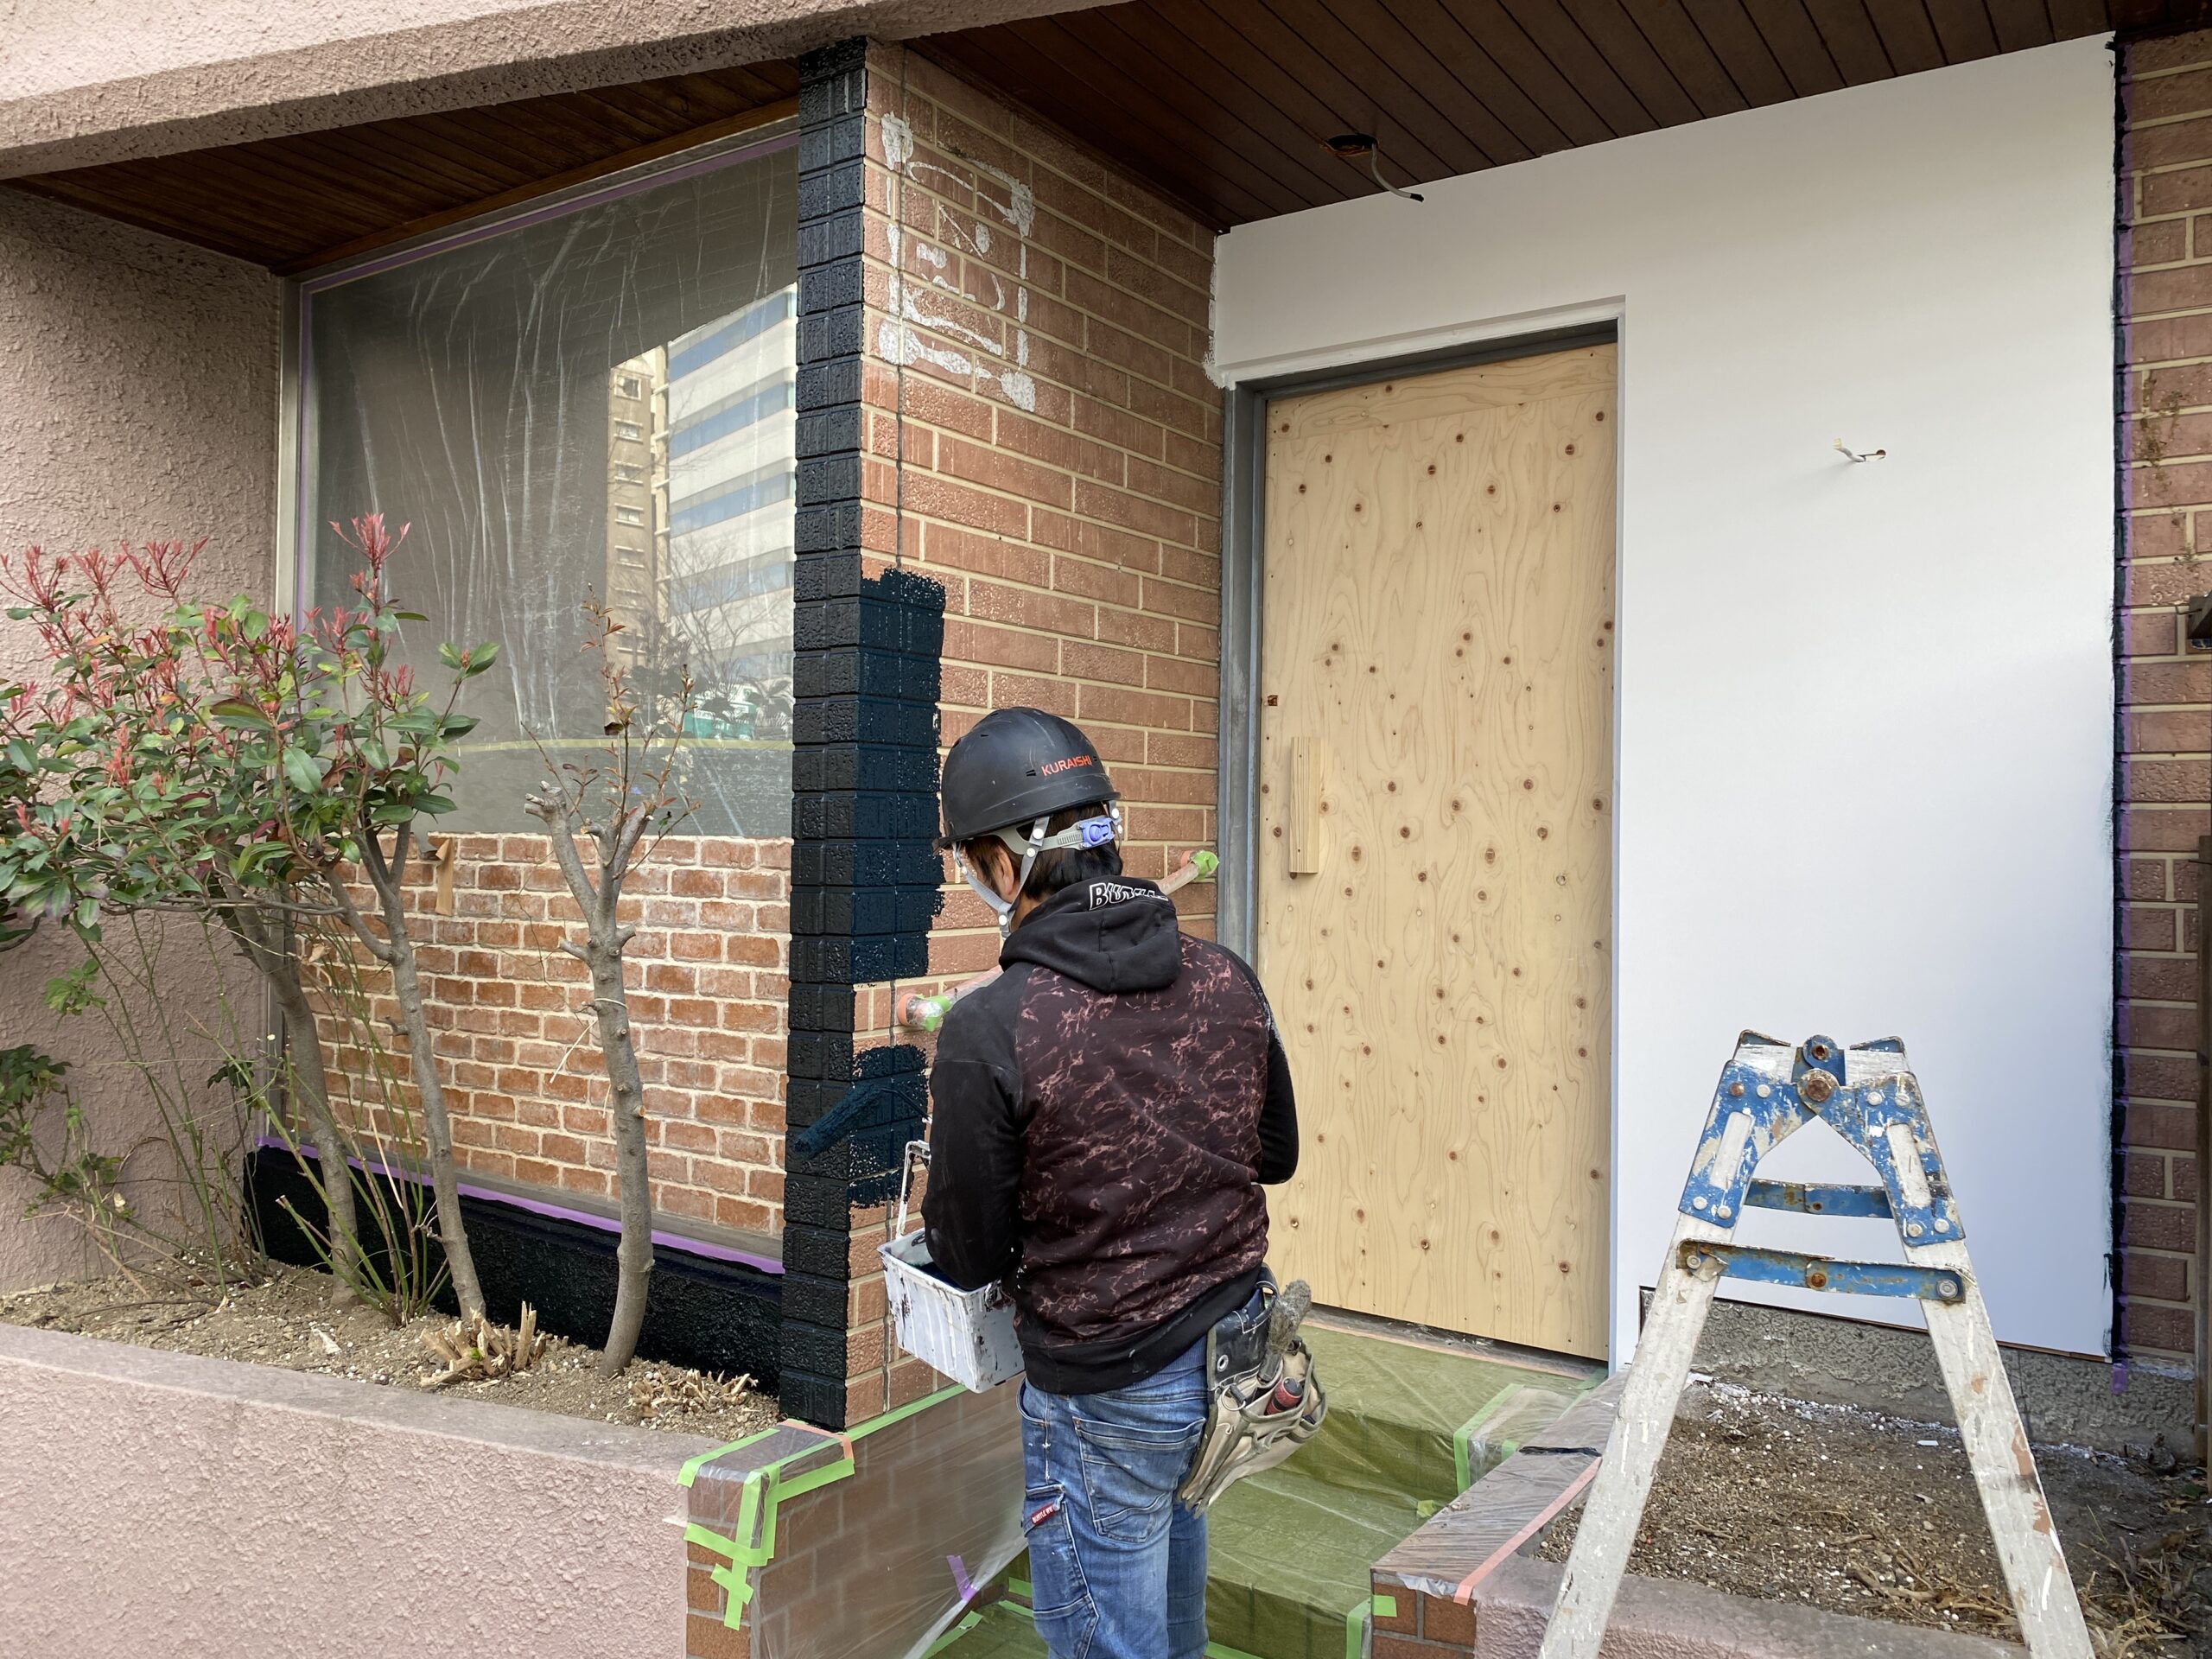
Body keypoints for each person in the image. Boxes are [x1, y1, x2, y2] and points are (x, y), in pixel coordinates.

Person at [921, 706, 1300, 1659]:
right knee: (1171, 1623)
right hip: (1228, 1352)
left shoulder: (993, 1026)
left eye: (970, 860)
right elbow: (1275, 1154)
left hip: (1106, 1389)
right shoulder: (1224, 978)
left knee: (1108, 1643)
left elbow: (967, 1254)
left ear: (1003, 863)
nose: (974, 878)